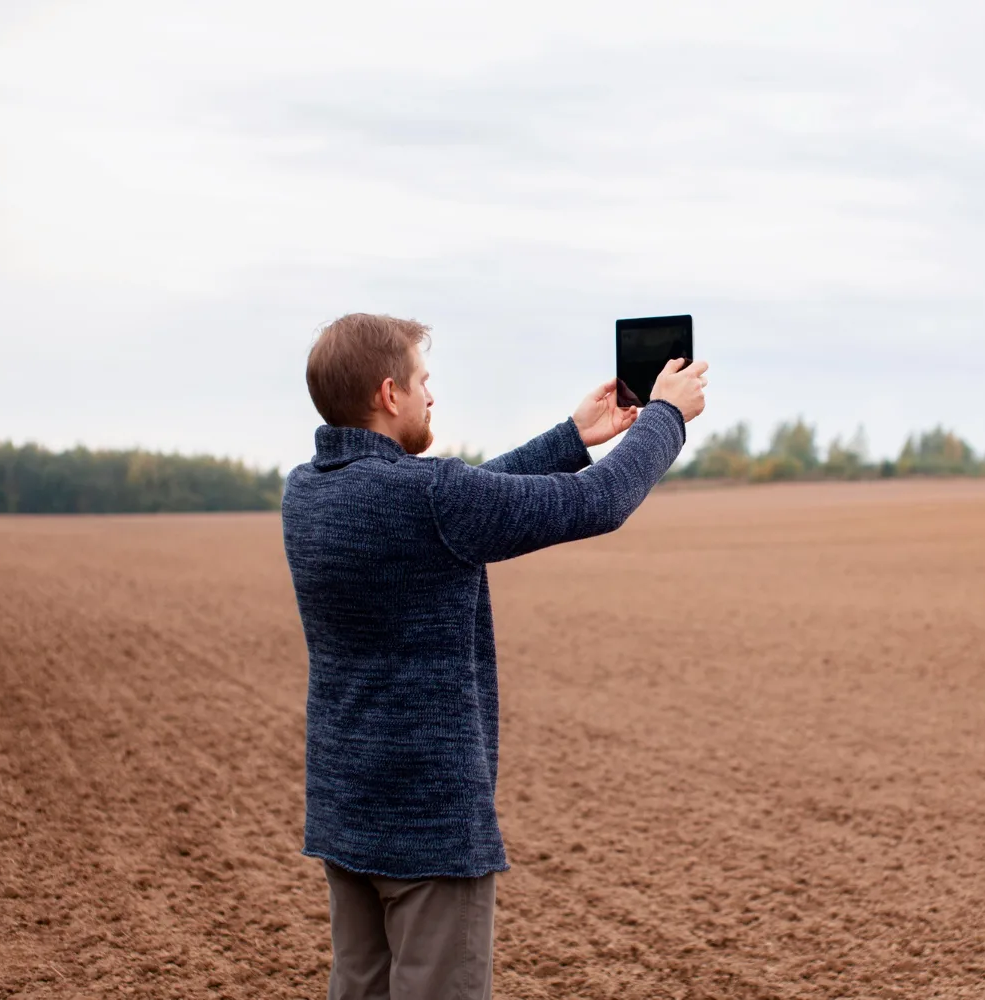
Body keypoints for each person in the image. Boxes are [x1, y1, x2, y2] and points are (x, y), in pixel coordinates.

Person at [280, 313, 708, 1000]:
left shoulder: (308, 491)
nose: (431, 396)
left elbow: (456, 511)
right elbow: (594, 503)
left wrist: (571, 439)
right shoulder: (425, 498)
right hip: (430, 824)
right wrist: (666, 417)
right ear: (389, 395)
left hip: (346, 810)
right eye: (423, 382)